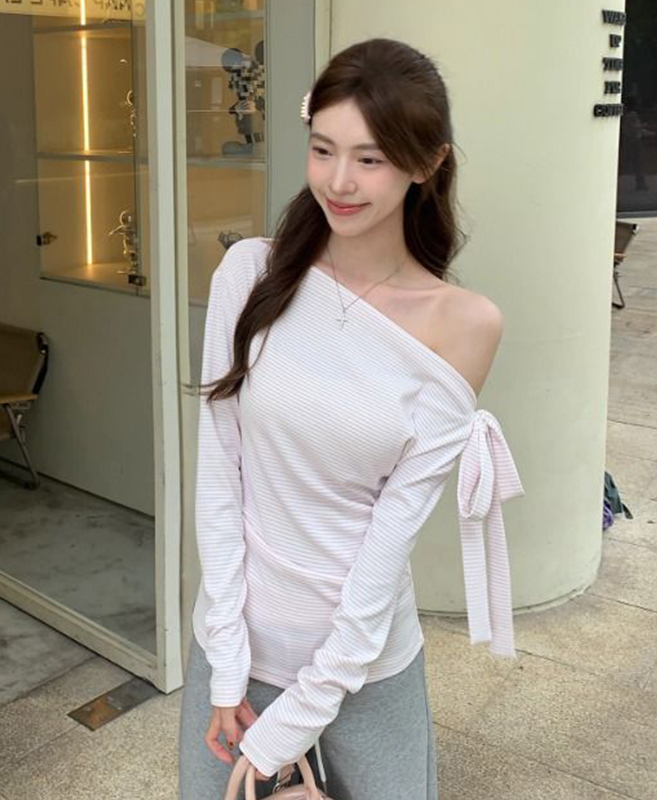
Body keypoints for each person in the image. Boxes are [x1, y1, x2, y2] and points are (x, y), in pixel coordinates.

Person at [178, 37, 524, 800]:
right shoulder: (250, 276)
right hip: (235, 654)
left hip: (363, 667)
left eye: (369, 159)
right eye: (323, 150)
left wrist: (301, 714)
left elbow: (389, 538)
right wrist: (227, 665)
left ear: (427, 162)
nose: (339, 181)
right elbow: (220, 477)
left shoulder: (464, 326)